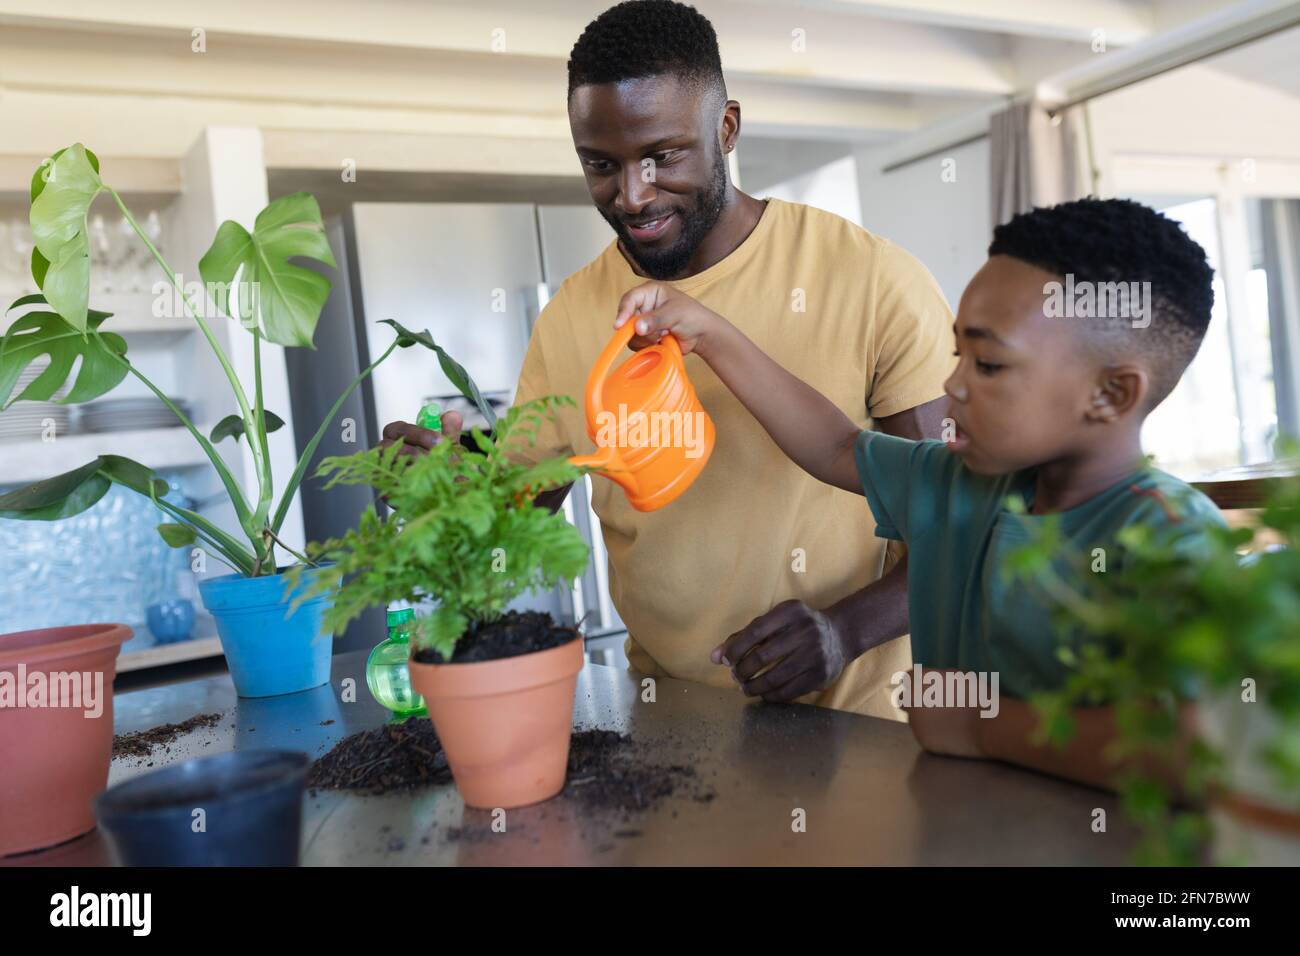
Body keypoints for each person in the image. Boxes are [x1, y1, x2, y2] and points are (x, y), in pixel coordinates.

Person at [380, 0, 955, 718]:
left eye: (662, 156)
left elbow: (959, 524)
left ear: (727, 128)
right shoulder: (570, 315)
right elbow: (517, 514)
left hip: (859, 722)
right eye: (601, 164)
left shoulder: (872, 278)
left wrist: (843, 632)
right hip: (666, 717)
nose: (632, 194)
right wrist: (445, 488)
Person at [606, 196, 1225, 789]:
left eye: (987, 365)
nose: (952, 385)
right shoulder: (957, 483)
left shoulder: (1174, 538)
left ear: (1111, 394)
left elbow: (1193, 750)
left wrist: (977, 726)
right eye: (959, 354)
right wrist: (710, 333)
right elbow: (834, 446)